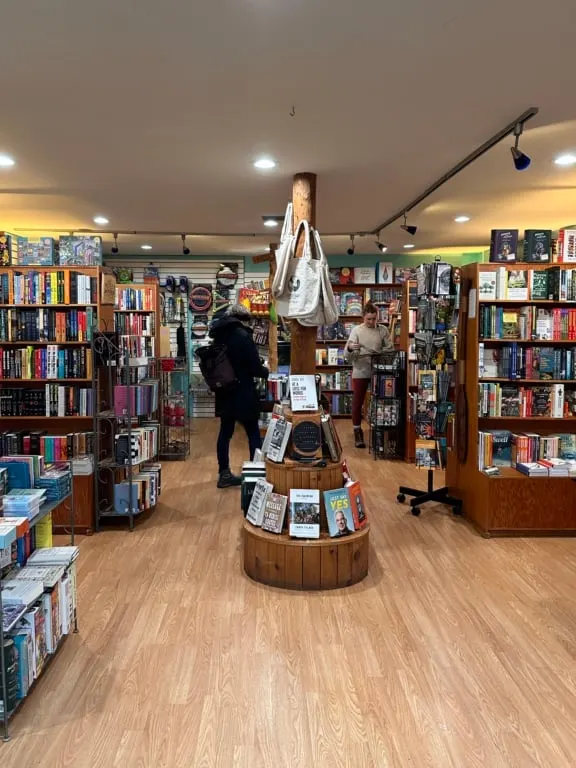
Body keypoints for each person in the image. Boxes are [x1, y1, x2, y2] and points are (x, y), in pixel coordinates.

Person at [209, 304, 269, 488]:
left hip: (224, 390)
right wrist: (265, 371)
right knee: (253, 432)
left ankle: (224, 473)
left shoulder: (218, 335)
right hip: (243, 391)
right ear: (242, 319)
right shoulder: (243, 336)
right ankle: (255, 474)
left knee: (225, 433)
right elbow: (254, 367)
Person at [344, 301, 393, 448]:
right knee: (357, 402)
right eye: (369, 319)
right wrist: (351, 349)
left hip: (378, 370)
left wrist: (380, 353)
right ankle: (357, 431)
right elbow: (347, 356)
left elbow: (390, 349)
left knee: (381, 400)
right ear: (363, 317)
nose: (372, 322)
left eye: (374, 318)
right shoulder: (356, 331)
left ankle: (378, 430)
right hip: (361, 370)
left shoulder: (382, 330)